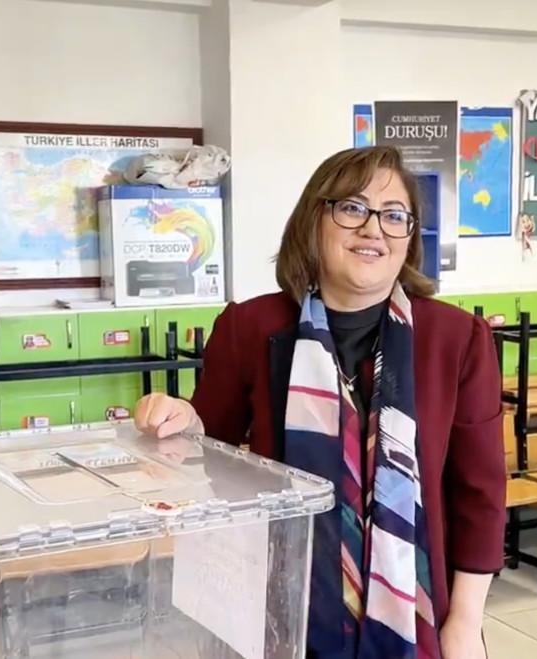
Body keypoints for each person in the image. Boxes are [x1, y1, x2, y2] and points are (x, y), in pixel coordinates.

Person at [135, 146, 506, 659]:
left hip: (415, 617)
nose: (373, 229)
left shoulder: (456, 338)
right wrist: (181, 419)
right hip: (284, 612)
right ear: (315, 219)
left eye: (394, 215)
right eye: (352, 208)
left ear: (409, 237)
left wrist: (465, 622)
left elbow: (480, 494)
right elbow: (211, 445)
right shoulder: (250, 327)